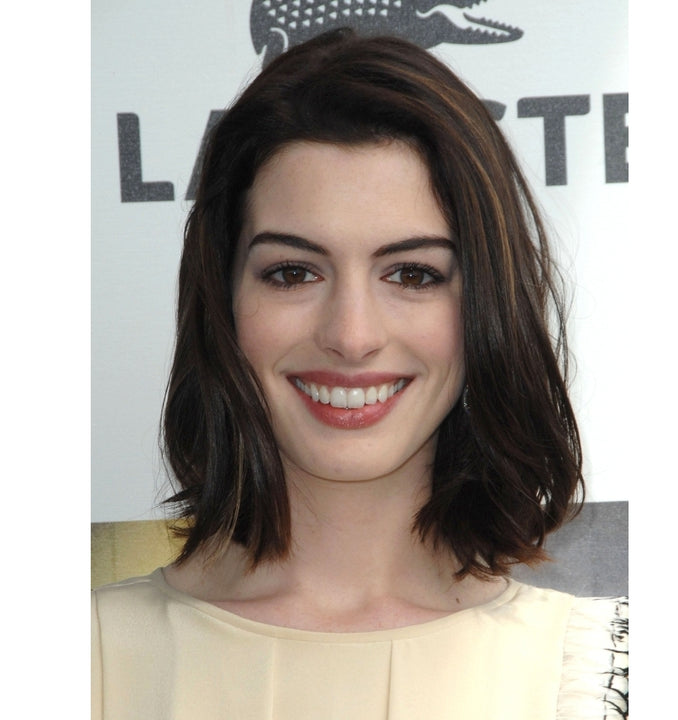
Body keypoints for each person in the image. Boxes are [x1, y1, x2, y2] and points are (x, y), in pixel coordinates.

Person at [92, 28, 628, 719]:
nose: (351, 335)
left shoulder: (600, 671)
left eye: (412, 273)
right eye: (293, 272)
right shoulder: (77, 661)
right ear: (223, 301)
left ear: (487, 302)